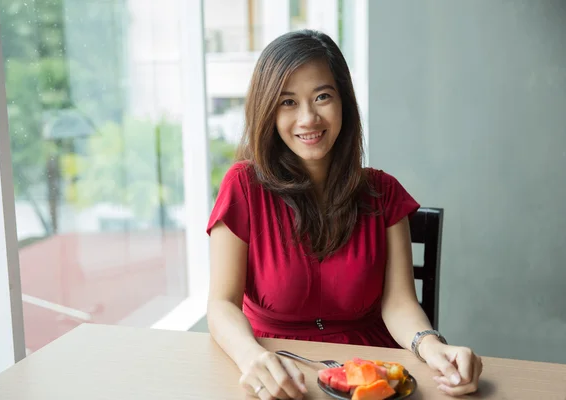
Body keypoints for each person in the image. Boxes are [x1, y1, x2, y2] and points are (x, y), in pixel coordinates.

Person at [206, 30, 482, 399]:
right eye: (288, 102)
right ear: (267, 110)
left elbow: (399, 303)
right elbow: (221, 304)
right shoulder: (242, 186)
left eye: (322, 96)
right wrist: (250, 356)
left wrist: (434, 347)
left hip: (371, 373)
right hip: (274, 369)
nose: (308, 118)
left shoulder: (383, 192)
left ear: (344, 103)